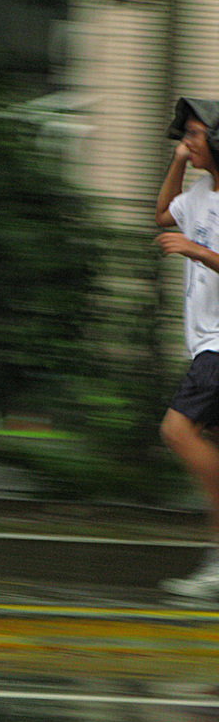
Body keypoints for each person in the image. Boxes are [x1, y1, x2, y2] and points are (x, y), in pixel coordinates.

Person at [156, 97, 219, 598]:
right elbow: (162, 214)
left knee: (177, 430)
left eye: (195, 135)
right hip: (204, 344)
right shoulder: (199, 192)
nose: (187, 142)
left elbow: (188, 243)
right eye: (186, 134)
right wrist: (178, 161)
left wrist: (195, 249)